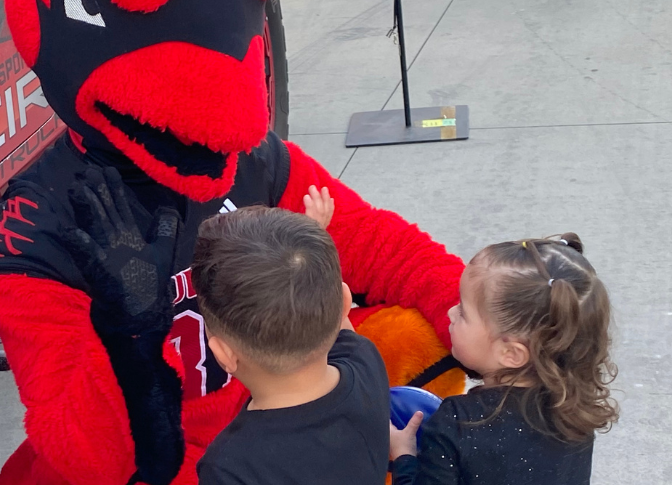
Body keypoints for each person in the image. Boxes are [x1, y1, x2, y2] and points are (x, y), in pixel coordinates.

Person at [388, 234, 619, 485]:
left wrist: (404, 455)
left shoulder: (457, 423)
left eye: (464, 312)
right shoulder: (576, 413)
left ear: (511, 354)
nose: (450, 312)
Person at [192, 206, 390, 485]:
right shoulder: (363, 358)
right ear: (346, 302)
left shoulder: (229, 467)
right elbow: (339, 320)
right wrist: (304, 257)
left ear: (224, 355)